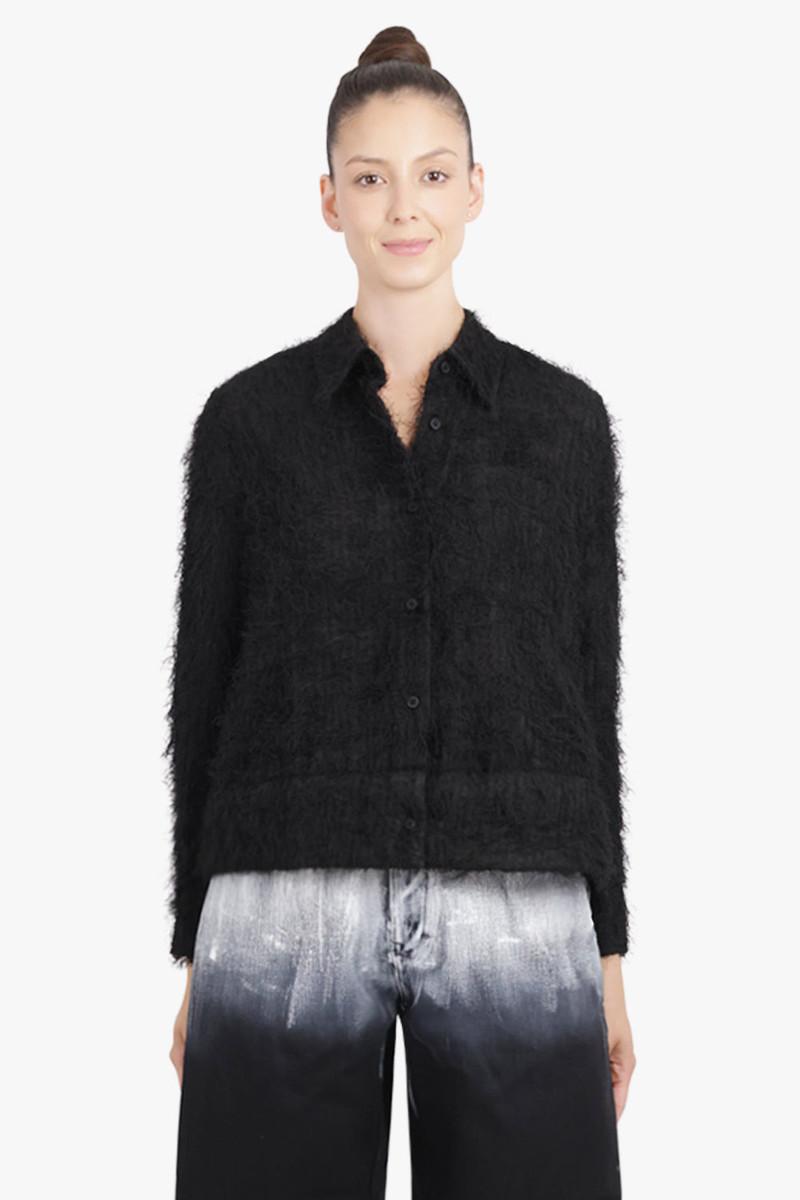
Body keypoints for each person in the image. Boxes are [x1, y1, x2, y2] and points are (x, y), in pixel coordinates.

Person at [166, 24, 636, 1200]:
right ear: (328, 200)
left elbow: (587, 697)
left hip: (519, 898)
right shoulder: (247, 425)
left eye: (431, 174)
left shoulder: (562, 427)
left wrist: (606, 950)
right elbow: (202, 691)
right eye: (369, 179)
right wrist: (195, 949)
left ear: (475, 189)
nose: (402, 207)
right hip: (284, 903)